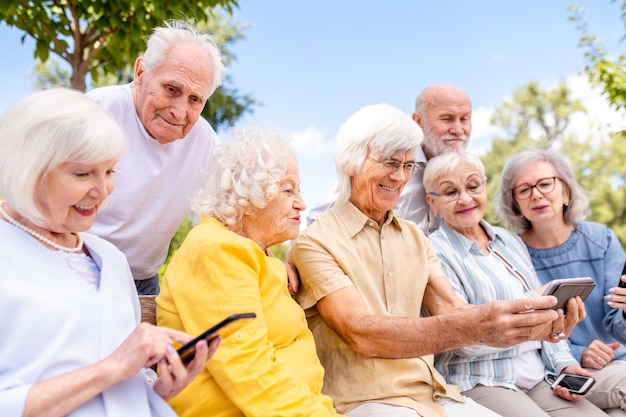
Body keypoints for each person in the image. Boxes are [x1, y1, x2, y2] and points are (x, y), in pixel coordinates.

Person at [289, 103, 582, 417]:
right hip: (364, 400)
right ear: (352, 162)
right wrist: (484, 325)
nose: (399, 176)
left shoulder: (415, 237)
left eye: (407, 165)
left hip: (432, 393)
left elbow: (452, 309)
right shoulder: (315, 242)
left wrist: (534, 326)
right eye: (390, 162)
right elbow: (362, 334)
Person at [0, 88, 219, 417]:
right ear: (29, 170)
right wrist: (114, 367)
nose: (102, 191)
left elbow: (130, 376)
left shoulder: (111, 259)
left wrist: (160, 390)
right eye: (82, 173)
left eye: (110, 172)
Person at [156, 126, 343, 417]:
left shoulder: (254, 252)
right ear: (250, 195)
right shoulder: (216, 250)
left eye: (299, 189)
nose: (302, 203)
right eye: (288, 189)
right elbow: (248, 368)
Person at [423, 151, 605, 417]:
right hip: (481, 378)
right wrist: (534, 305)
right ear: (433, 203)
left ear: (484, 187)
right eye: (450, 192)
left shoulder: (509, 241)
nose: (465, 198)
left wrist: (565, 365)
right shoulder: (434, 252)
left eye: (473, 186)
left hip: (539, 375)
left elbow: (549, 315)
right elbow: (462, 338)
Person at [87, 19, 225, 295]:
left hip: (143, 282)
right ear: (140, 73)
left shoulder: (205, 141)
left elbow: (227, 216)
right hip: (79, 266)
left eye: (195, 100)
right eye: (172, 89)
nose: (179, 111)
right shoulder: (95, 112)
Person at [497, 148, 626, 415]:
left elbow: (618, 327)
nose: (536, 194)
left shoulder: (600, 239)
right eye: (524, 190)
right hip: (563, 374)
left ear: (566, 192)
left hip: (617, 363)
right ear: (515, 203)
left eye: (545, 184)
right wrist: (580, 354)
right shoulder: (510, 253)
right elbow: (524, 332)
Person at [306, 83, 471, 233]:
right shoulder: (387, 162)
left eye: (464, 119)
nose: (458, 129)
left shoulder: (465, 170)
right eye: (447, 119)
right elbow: (317, 220)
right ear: (418, 121)